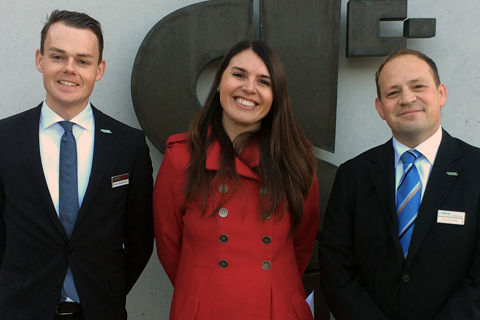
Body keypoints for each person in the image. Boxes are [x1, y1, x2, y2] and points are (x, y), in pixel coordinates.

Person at [0, 10, 153, 320]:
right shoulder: (4, 138)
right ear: (40, 59)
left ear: (99, 69)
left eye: (83, 61)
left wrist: (107, 290)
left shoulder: (128, 145)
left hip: (100, 310)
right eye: (58, 57)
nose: (69, 69)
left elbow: (140, 237)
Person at [153, 40, 319, 319]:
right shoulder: (182, 158)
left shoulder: (296, 160)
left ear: (275, 94)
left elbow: (302, 242)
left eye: (264, 82)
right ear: (219, 82)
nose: (249, 88)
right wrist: (202, 291)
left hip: (276, 308)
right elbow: (169, 247)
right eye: (239, 75)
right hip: (205, 309)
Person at [319, 48, 480, 319]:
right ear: (380, 107)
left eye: (418, 86)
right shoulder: (353, 175)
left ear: (441, 94)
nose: (407, 99)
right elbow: (336, 268)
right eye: (393, 93)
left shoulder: (476, 169)